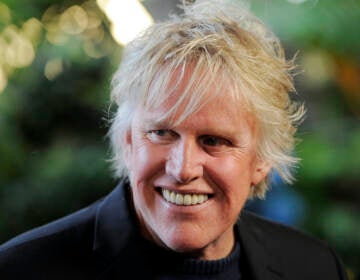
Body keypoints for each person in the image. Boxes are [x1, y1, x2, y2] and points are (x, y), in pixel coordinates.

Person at [0, 0, 348, 279]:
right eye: (162, 133)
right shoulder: (21, 269)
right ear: (128, 141)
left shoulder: (314, 266)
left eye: (214, 140)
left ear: (262, 160)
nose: (183, 168)